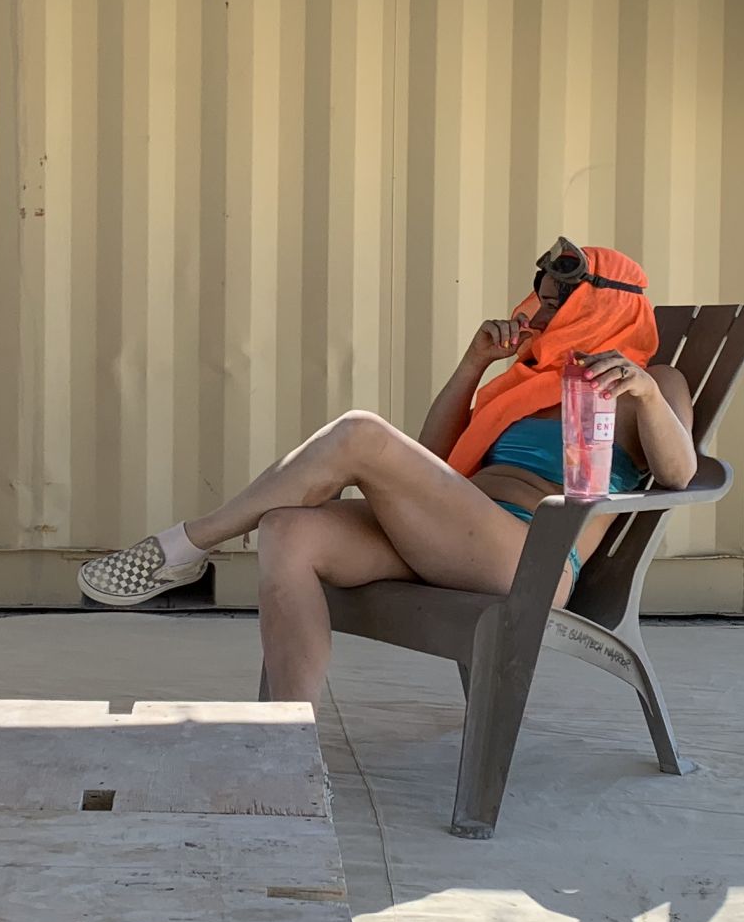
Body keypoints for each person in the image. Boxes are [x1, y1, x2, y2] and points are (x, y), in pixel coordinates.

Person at [77, 239, 697, 703]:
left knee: (360, 434)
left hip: (528, 556)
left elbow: (679, 473)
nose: (540, 314)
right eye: (544, 300)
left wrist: (644, 393)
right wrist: (474, 364)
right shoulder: (528, 379)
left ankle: (186, 545)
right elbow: (435, 456)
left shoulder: (652, 383)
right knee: (288, 530)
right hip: (454, 532)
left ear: (602, 308)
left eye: (559, 304)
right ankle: (285, 736)